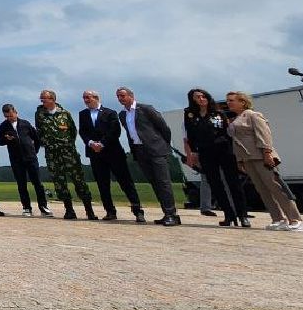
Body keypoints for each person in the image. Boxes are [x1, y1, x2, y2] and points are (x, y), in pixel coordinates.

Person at [226, 91, 303, 232]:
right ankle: (278, 219)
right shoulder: (236, 118)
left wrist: (267, 153)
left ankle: (296, 219)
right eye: (228, 100)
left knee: (276, 188)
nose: (229, 103)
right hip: (248, 158)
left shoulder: (253, 115)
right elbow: (236, 141)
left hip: (261, 156)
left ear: (242, 102)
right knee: (262, 190)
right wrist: (240, 159)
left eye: (232, 100)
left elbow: (264, 134)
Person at [115, 86, 180, 226]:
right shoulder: (122, 115)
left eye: (123, 96)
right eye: (118, 96)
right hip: (140, 151)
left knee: (163, 182)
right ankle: (167, 213)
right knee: (155, 183)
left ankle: (171, 214)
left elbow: (164, 128)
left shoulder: (145, 109)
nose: (120, 99)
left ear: (131, 96)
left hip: (156, 150)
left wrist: (163, 145)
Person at [183, 88, 248, 227]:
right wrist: (193, 153)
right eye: (197, 97)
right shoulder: (190, 115)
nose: (201, 99)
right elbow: (190, 135)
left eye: (203, 96)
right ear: (192, 100)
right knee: (215, 184)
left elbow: (228, 132)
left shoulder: (219, 113)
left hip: (224, 150)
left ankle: (242, 215)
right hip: (206, 152)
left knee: (233, 183)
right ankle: (228, 214)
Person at [77, 90, 144, 222]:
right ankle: (110, 211)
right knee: (103, 184)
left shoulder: (110, 112)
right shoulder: (83, 114)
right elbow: (83, 131)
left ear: (96, 98)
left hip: (113, 152)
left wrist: (102, 143)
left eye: (88, 97)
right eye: (84, 98)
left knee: (126, 182)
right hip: (95, 154)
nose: (86, 100)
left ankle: (137, 210)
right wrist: (91, 143)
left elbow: (115, 131)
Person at [35, 90, 95, 220]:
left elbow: (73, 131)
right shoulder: (39, 114)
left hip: (69, 152)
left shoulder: (65, 113)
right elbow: (39, 132)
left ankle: (89, 210)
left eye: (44, 99)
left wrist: (66, 144)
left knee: (78, 180)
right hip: (52, 154)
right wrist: (48, 144)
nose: (42, 101)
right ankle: (69, 210)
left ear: (52, 99)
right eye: (41, 99)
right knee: (59, 181)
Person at [0, 104, 49, 216]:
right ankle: (26, 207)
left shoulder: (25, 124)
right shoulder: (3, 126)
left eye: (10, 115)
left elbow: (36, 138)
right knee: (21, 184)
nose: (9, 118)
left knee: (38, 183)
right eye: (6, 116)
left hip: (30, 157)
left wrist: (35, 151)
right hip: (16, 159)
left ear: (15, 112)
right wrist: (6, 139)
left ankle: (43, 207)